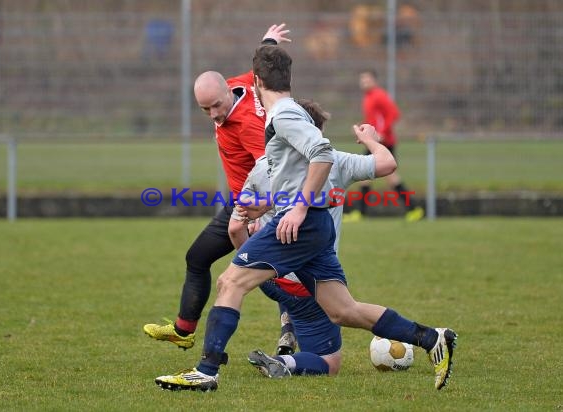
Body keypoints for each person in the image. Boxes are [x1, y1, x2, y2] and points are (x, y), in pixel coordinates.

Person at [154, 44, 457, 392]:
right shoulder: (282, 116)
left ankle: (206, 372)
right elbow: (316, 165)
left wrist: (298, 207)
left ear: (254, 82)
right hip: (315, 229)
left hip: (300, 225)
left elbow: (321, 151)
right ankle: (432, 338)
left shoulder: (282, 114)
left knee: (229, 283)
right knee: (343, 311)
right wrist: (268, 203)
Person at [142, 24, 291, 350]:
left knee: (267, 271)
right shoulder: (241, 84)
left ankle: (292, 323)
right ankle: (184, 330)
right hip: (239, 205)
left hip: (257, 208)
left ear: (226, 94)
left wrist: (260, 213)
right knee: (197, 257)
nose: (213, 115)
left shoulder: (250, 126)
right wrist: (269, 42)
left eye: (215, 106)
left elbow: (274, 168)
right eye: (205, 109)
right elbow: (260, 70)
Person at [228, 99, 397, 377]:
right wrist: (371, 140)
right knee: (329, 363)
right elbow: (387, 163)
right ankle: (284, 361)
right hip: (311, 286)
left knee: (284, 260)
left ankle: (287, 325)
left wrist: (252, 265)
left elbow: (235, 228)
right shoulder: (335, 161)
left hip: (268, 278)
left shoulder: (260, 166)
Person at [346, 69, 424, 223]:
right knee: (370, 176)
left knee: (384, 176)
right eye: (362, 80)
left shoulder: (379, 95)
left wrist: (381, 132)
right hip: (373, 141)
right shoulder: (368, 97)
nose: (364, 83)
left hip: (383, 142)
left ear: (374, 81)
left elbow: (394, 114)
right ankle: (361, 212)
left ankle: (413, 209)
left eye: (367, 80)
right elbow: (374, 119)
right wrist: (363, 127)